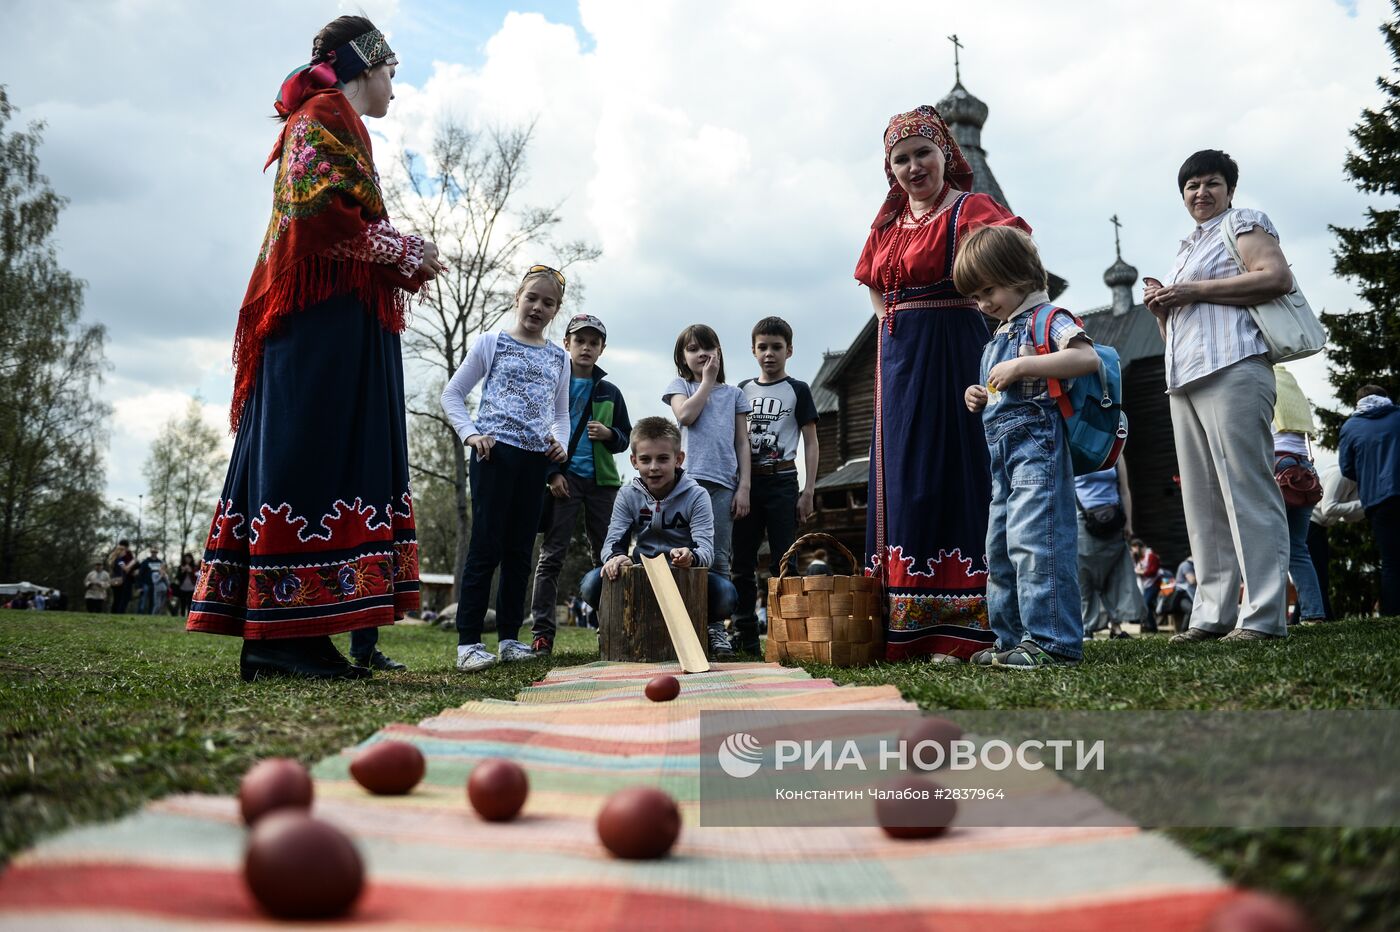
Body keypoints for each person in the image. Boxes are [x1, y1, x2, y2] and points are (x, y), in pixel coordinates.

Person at [187, 16, 434, 680]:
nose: (394, 88)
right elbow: (320, 222)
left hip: (336, 321)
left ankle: (300, 635)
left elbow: (335, 221)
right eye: (390, 72)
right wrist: (406, 250)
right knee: (310, 456)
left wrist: (396, 253)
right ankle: (278, 636)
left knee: (331, 459)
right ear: (363, 66)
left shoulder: (332, 120)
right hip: (315, 327)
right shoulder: (320, 115)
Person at [854, 105, 1032, 662]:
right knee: (906, 474)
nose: (913, 168)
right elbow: (873, 284)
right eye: (901, 159)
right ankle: (908, 623)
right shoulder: (886, 225)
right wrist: (893, 323)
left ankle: (973, 622)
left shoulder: (971, 209)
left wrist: (982, 313)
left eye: (922, 154)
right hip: (900, 363)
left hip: (957, 347)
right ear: (891, 168)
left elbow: (1016, 255)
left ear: (944, 155)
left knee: (959, 469)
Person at [1144, 150, 1293, 643]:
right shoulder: (1186, 248)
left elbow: (1275, 277)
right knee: (1202, 500)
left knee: (1245, 489)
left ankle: (1265, 614)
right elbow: (1186, 322)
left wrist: (1190, 291)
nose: (1201, 193)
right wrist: (1163, 306)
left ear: (1229, 189)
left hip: (1235, 366)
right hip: (1184, 378)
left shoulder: (1245, 223)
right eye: (1191, 186)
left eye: (1211, 184)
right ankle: (1212, 612)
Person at [959, 225, 1100, 669]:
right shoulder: (998, 334)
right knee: (1000, 547)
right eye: (976, 296)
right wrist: (979, 395)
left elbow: (1085, 359)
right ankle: (1011, 640)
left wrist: (1022, 365)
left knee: (1036, 542)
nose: (983, 303)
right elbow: (999, 391)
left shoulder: (1049, 319)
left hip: (1037, 448)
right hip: (1002, 459)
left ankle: (1052, 641)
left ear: (1019, 274)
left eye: (989, 290)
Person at [442, 266, 571, 672]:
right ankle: (468, 644)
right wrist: (470, 434)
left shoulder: (559, 357)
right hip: (494, 456)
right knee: (486, 547)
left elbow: (562, 414)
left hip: (535, 462)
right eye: (532, 297)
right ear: (518, 298)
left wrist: (560, 443)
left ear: (556, 311)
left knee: (519, 552)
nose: (537, 307)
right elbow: (453, 394)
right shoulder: (491, 342)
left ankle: (512, 639)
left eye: (548, 302)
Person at [581, 417, 738, 659]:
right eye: (645, 459)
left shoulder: (697, 496)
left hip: (682, 575)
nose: (653, 467)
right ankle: (612, 625)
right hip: (641, 574)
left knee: (726, 594)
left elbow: (706, 550)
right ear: (634, 461)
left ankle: (708, 628)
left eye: (663, 459)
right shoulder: (627, 495)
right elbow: (612, 542)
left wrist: (691, 556)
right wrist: (616, 557)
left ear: (679, 459)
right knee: (591, 583)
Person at [527, 314, 631, 656]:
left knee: (610, 557)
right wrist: (551, 473)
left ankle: (612, 631)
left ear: (601, 349)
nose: (586, 347)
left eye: (593, 342)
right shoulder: (553, 382)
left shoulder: (610, 391)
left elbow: (625, 439)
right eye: (580, 341)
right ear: (567, 344)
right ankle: (542, 635)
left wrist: (609, 434)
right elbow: (539, 429)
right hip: (565, 480)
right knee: (552, 556)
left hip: (603, 484)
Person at [731, 316, 820, 656]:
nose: (769, 354)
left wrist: (808, 490)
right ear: (753, 351)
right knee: (741, 561)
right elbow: (735, 438)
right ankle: (745, 634)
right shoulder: (742, 390)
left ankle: (787, 633)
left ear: (790, 350)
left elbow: (811, 441)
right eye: (763, 347)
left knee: (785, 561)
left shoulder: (798, 390)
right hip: (747, 483)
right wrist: (739, 484)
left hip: (783, 481)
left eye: (777, 347)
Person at [663, 324, 751, 656]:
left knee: (718, 559)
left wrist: (744, 486)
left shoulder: (734, 395)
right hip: (686, 486)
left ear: (718, 351)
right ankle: (681, 629)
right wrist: (706, 383)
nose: (702, 353)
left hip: (723, 487)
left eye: (708, 347)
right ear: (682, 357)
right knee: (681, 555)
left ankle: (716, 630)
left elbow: (742, 442)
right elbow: (685, 415)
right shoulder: (680, 386)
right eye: (693, 348)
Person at [1339, 385, 1400, 616]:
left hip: (1378, 499)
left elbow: (1347, 468)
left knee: (1391, 561)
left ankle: (1393, 615)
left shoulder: (1350, 427)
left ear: (1358, 402)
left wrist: (1369, 475)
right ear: (1386, 397)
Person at [1272, 365, 1326, 624]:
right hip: (1304, 469)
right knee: (1298, 549)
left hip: (1278, 467)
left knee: (1269, 548)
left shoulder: (1261, 380)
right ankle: (1314, 613)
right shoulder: (1292, 388)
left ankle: (1271, 618)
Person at [1073, 458, 1144, 640]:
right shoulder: (1075, 450)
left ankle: (1117, 626)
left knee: (1115, 575)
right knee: (1084, 576)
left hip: (1113, 519)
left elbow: (1124, 490)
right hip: (1082, 520)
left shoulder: (1116, 453)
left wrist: (1128, 523)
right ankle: (1087, 626)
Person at [1308, 465, 1365, 621]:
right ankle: (1325, 618)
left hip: (1320, 527)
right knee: (1319, 577)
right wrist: (1364, 504)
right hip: (1310, 523)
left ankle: (1306, 617)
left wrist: (1367, 507)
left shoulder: (1357, 482)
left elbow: (1348, 517)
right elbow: (1329, 508)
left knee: (1318, 575)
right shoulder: (1340, 475)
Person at [1130, 538, 1161, 619]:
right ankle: (1150, 626)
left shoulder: (1151, 556)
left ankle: (1151, 627)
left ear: (1137, 547)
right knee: (1148, 606)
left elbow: (1152, 572)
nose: (1133, 552)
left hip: (1153, 584)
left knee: (1145, 604)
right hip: (1145, 585)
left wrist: (1140, 572)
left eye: (1133, 549)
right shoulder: (1139, 558)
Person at [109, 541, 136, 615]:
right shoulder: (120, 560)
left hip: (115, 581)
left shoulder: (116, 559)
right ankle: (116, 613)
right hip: (119, 582)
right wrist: (132, 562)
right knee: (119, 599)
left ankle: (114, 613)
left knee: (117, 598)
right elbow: (126, 569)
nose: (125, 552)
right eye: (124, 551)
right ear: (120, 551)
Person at [136, 547, 163, 615]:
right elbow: (140, 574)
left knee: (153, 601)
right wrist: (139, 586)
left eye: (155, 552)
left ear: (157, 552)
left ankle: (151, 614)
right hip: (146, 584)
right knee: (143, 600)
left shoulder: (160, 562)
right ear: (151, 552)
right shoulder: (145, 562)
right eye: (153, 552)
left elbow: (162, 573)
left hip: (156, 585)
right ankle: (139, 614)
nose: (154, 553)